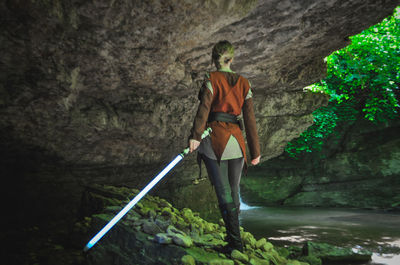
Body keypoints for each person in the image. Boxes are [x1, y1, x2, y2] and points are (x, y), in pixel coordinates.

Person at [188, 40, 261, 253]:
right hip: (237, 143)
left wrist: (195, 136)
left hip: (215, 140)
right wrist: (255, 152)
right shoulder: (244, 83)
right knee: (234, 190)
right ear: (232, 58)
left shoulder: (211, 78)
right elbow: (250, 119)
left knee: (223, 192)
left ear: (214, 59)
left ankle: (235, 244)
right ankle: (235, 242)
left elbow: (204, 108)